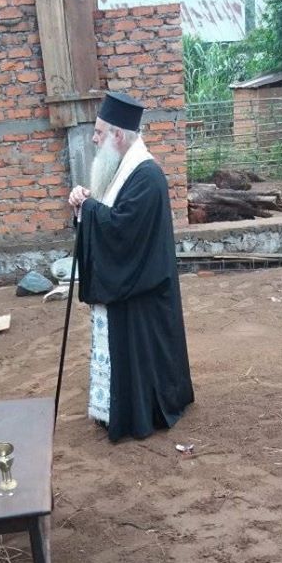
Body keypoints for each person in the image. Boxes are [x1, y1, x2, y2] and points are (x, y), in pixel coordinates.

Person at [68, 91, 194, 442]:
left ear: (118, 135)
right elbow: (112, 216)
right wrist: (86, 206)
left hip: (145, 293)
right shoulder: (124, 170)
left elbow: (124, 232)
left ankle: (143, 411)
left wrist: (88, 210)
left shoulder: (147, 176)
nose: (94, 139)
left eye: (98, 132)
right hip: (135, 286)